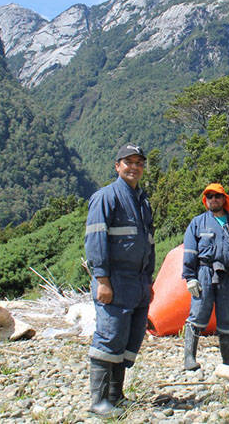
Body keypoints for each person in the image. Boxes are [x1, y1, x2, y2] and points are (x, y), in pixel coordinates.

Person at [84, 143, 155, 417]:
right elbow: (96, 240)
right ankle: (98, 401)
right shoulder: (106, 197)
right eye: (128, 162)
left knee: (129, 339)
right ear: (117, 166)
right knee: (110, 335)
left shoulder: (142, 201)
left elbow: (148, 243)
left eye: (139, 162)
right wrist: (102, 280)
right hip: (114, 280)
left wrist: (148, 279)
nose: (134, 167)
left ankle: (116, 396)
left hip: (138, 281)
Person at [181, 183, 229, 370]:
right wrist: (190, 277)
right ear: (206, 200)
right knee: (197, 314)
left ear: (224, 199)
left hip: (228, 277)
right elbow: (189, 251)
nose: (214, 199)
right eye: (210, 196)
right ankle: (189, 358)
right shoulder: (197, 222)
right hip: (204, 274)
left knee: (228, 317)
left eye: (217, 196)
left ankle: (228, 361)